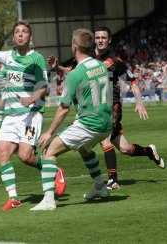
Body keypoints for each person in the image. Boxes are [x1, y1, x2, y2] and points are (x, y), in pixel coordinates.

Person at [0, 20, 66, 211]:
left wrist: (32, 98)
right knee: (2, 152)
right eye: (17, 31)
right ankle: (13, 197)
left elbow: (43, 87)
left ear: (30, 37)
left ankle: (53, 169)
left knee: (26, 157)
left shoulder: (37, 59)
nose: (20, 34)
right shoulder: (7, 56)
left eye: (24, 32)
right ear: (14, 36)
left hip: (31, 114)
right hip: (10, 116)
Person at [30, 28, 112, 211]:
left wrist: (49, 132)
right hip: (106, 124)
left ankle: (49, 200)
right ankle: (100, 186)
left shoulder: (75, 74)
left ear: (74, 46)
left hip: (90, 124)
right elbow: (81, 75)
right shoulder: (101, 66)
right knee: (84, 148)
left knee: (48, 151)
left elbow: (63, 109)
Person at [93, 26, 165, 190]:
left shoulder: (115, 61)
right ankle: (148, 151)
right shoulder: (89, 59)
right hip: (96, 107)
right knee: (125, 149)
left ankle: (113, 180)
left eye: (103, 37)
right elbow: (72, 71)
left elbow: (132, 82)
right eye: (98, 37)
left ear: (109, 40)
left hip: (112, 107)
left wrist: (139, 102)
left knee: (104, 138)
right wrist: (57, 68)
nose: (100, 40)